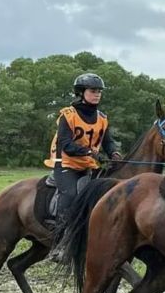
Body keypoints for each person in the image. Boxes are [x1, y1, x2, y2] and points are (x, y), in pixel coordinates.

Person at [47, 73, 122, 262]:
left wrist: (114, 153)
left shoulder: (102, 118)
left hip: (88, 164)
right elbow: (65, 144)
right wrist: (88, 151)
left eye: (99, 92)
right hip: (65, 163)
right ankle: (60, 242)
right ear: (81, 93)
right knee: (71, 195)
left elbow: (108, 141)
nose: (97, 95)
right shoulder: (68, 115)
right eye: (93, 91)